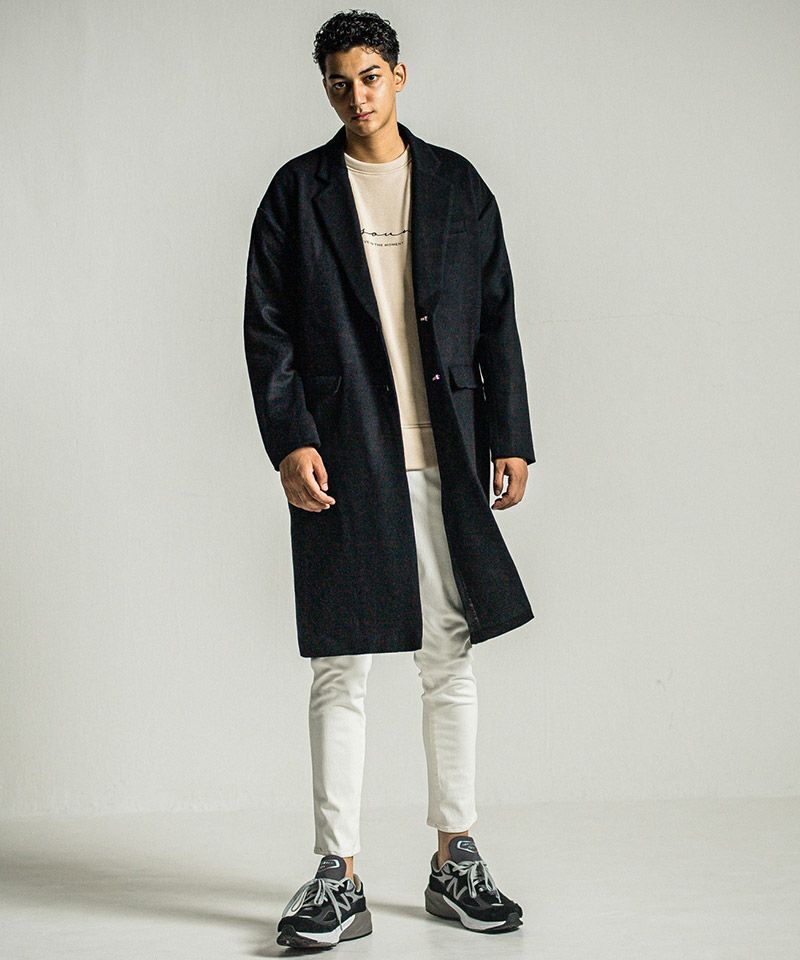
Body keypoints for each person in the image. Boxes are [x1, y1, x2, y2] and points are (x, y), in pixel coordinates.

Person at [243, 9, 536, 948]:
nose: (356, 96)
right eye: (339, 82)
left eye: (370, 77)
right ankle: (338, 875)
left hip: (446, 451)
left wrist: (510, 434)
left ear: (399, 76)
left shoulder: (456, 186)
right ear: (325, 88)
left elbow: (498, 316)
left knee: (449, 659)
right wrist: (289, 438)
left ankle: (456, 857)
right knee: (341, 663)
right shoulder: (297, 194)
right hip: (343, 455)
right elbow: (267, 329)